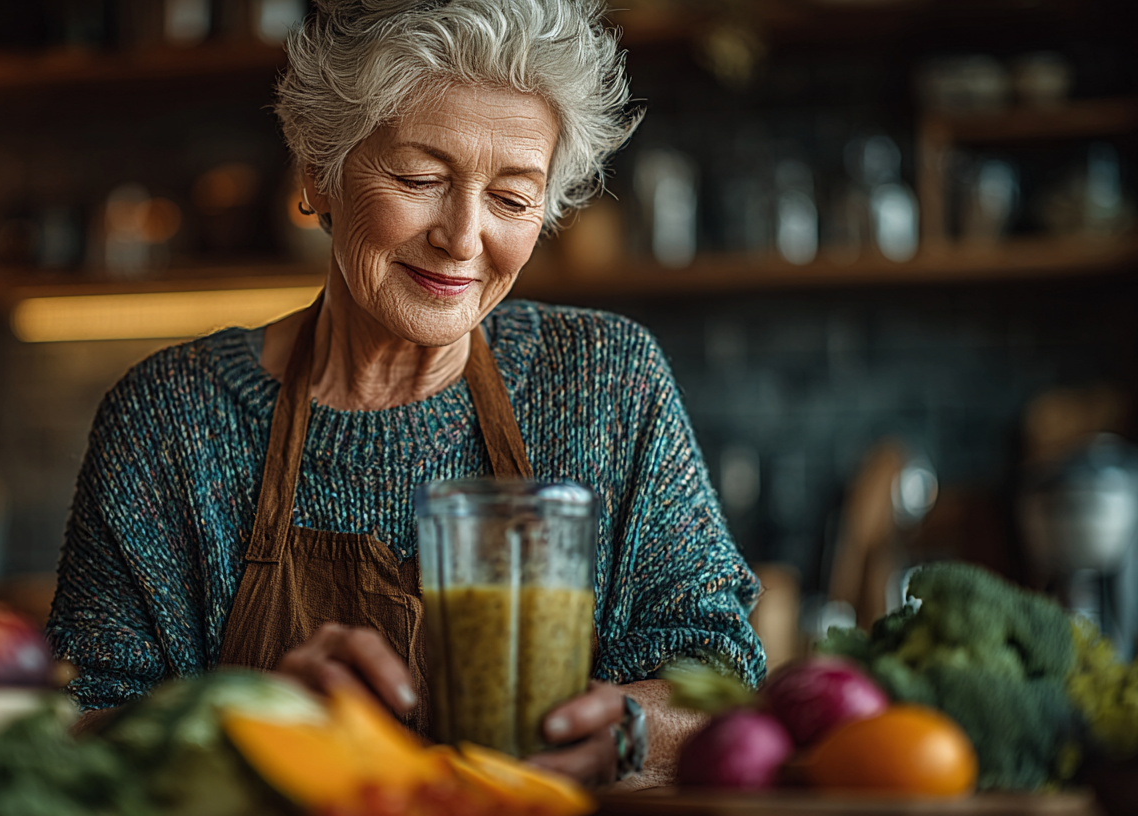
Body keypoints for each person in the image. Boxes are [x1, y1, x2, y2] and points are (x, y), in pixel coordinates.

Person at [48, 0, 765, 788]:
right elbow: (76, 727)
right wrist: (242, 718)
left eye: (512, 198)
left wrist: (631, 730)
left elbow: (718, 674)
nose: (462, 237)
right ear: (318, 172)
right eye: (421, 179)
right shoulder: (170, 418)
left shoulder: (606, 380)